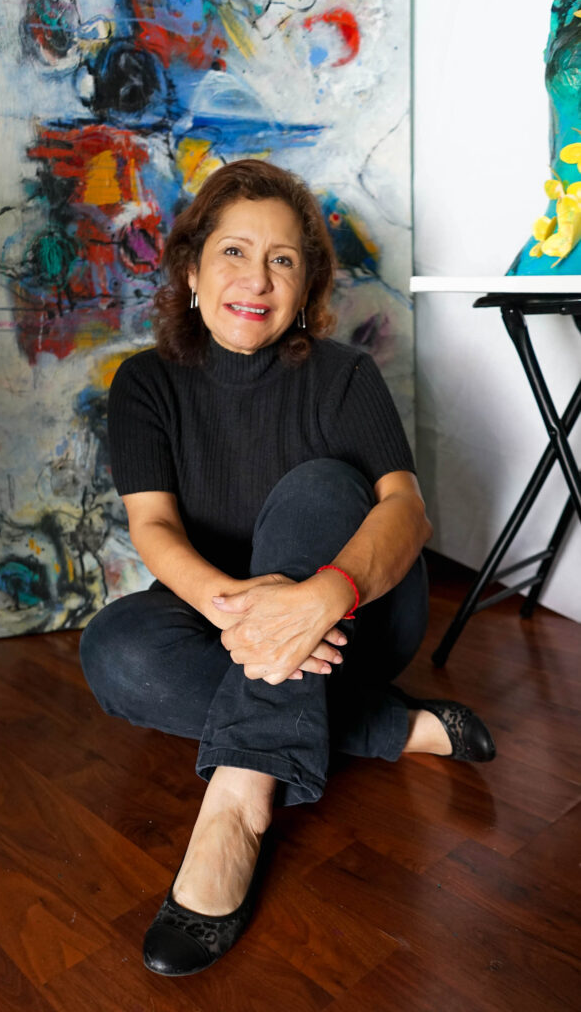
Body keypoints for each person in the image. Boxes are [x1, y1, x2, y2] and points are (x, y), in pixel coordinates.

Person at [80, 158, 495, 977]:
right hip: (233, 622)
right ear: (191, 271)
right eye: (233, 252)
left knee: (317, 488)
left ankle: (235, 806)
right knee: (114, 648)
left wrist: (320, 596)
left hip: (356, 618)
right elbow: (153, 525)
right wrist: (244, 607)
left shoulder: (343, 375)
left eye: (282, 260)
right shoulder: (144, 383)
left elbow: (406, 513)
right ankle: (381, 725)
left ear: (305, 287)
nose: (256, 279)